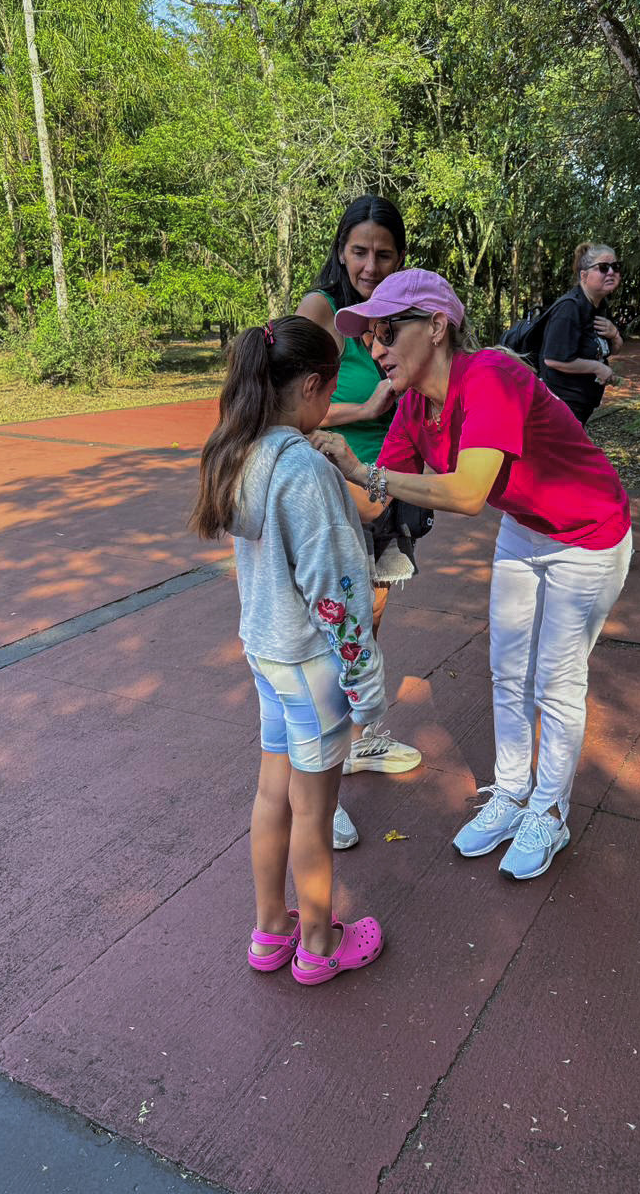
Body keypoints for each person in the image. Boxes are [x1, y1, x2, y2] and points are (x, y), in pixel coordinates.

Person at [311, 269, 632, 882]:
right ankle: (512, 794)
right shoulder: (411, 409)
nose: (375, 348)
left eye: (385, 332)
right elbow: (375, 502)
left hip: (590, 534)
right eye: (369, 336)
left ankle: (551, 810)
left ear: (436, 327)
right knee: (508, 668)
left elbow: (464, 492)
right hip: (526, 528)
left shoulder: (492, 375)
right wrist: (298, 473)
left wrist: (360, 468)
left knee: (555, 679)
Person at [191, 316, 385, 985]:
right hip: (310, 663)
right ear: (310, 386)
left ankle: (271, 929)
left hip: (267, 654)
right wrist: (366, 681)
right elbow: (339, 591)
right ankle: (318, 945)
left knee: (273, 794)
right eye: (330, 392)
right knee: (314, 807)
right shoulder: (302, 470)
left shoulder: (239, 450)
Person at [297, 196, 422, 851]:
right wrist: (370, 402)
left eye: (385, 253)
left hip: (390, 488)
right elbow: (288, 406)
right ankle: (321, 790)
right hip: (334, 492)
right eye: (360, 251)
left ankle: (359, 741)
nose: (371, 265)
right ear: (341, 249)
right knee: (330, 637)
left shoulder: (401, 315)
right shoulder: (321, 312)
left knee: (366, 626)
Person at [539, 242, 625, 426]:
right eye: (603, 267)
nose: (611, 272)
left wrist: (615, 334)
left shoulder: (600, 306)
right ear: (584, 275)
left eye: (615, 267)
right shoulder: (569, 308)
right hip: (560, 405)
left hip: (583, 403)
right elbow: (554, 359)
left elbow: (610, 350)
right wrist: (597, 368)